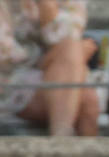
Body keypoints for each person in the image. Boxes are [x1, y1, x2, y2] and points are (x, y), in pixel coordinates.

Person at [0, 0, 100, 136]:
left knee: (89, 101)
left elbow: (70, 40)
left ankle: (60, 141)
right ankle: (60, 144)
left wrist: (48, 8)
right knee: (85, 99)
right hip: (8, 78)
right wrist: (62, 57)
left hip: (48, 73)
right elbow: (5, 54)